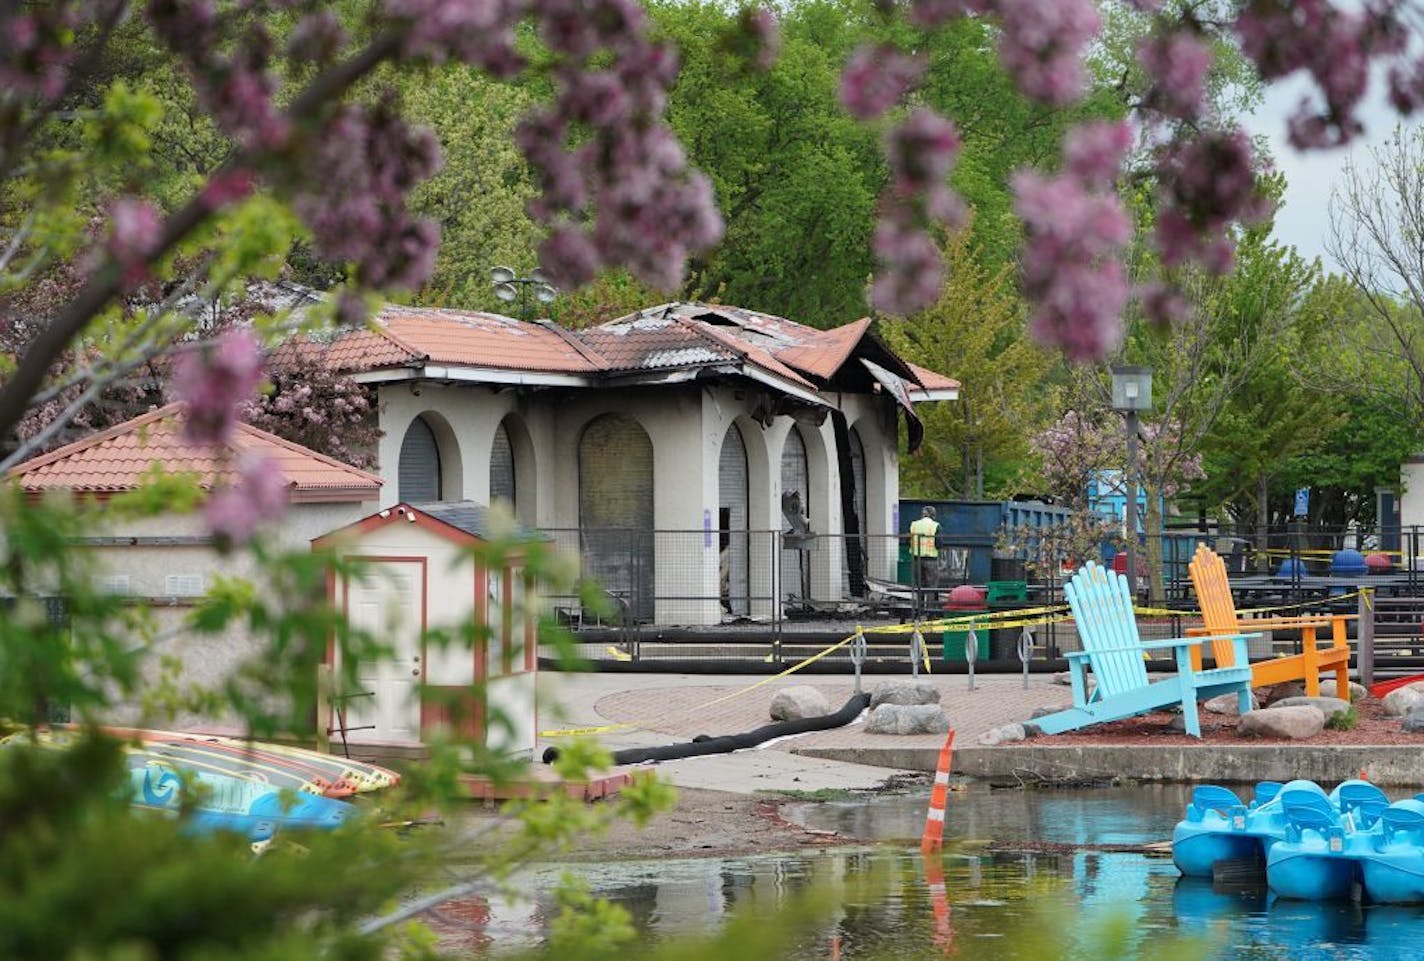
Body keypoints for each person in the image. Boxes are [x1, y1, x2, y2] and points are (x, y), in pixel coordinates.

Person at [908, 505, 940, 611]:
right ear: (933, 515)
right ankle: (930, 612)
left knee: (919, 586)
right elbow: (939, 543)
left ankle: (918, 611)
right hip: (930, 559)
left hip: (916, 559)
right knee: (931, 587)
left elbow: (908, 541)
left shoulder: (914, 525)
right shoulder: (935, 526)